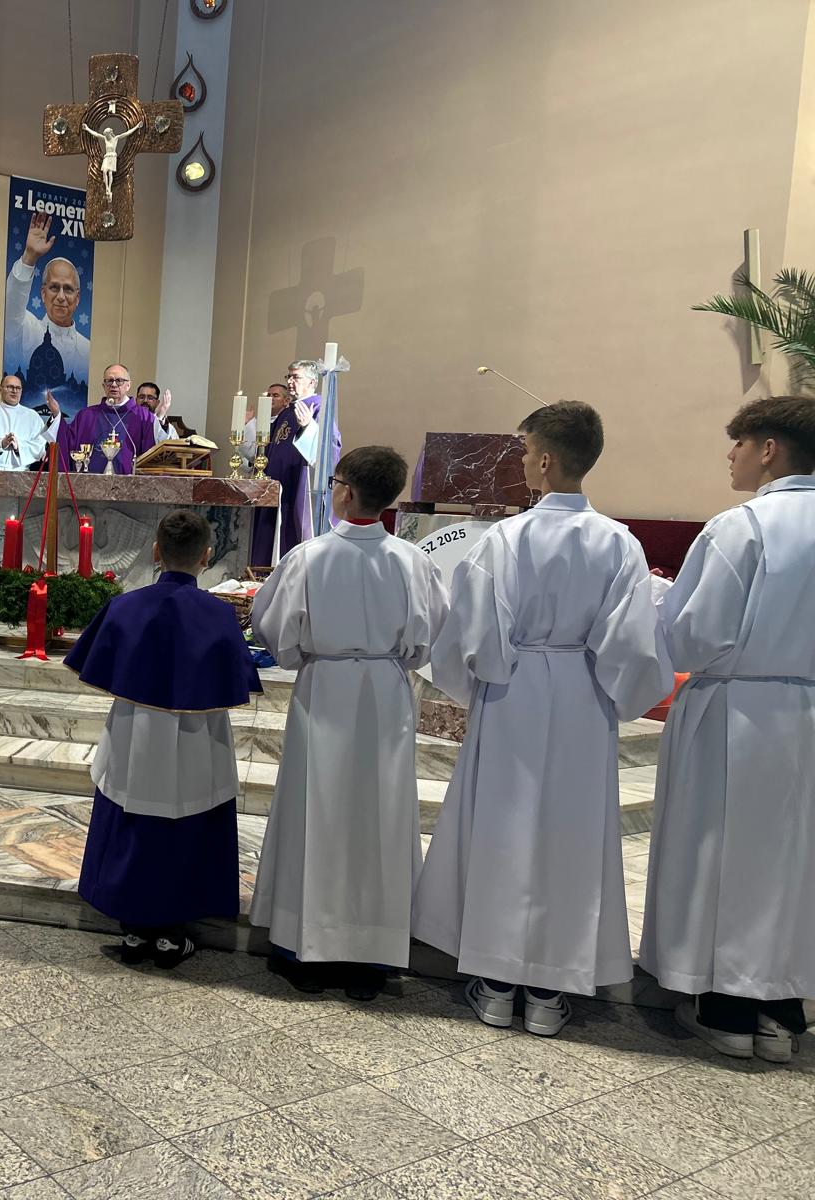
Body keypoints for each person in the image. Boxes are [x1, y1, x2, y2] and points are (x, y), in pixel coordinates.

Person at [412, 401, 672, 1036]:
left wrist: (479, 681)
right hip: (585, 696)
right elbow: (633, 646)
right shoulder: (619, 542)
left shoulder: (507, 539)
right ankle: (553, 989)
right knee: (571, 835)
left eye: (526, 451)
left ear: (548, 459)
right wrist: (614, 693)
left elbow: (470, 633)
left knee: (504, 830)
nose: (523, 462)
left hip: (514, 692)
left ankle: (497, 982)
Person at [640, 396, 815, 1062]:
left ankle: (727, 1006)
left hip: (739, 711)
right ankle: (782, 1010)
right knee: (795, 860)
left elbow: (694, 636)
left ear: (768, 449)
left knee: (724, 853)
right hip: (807, 709)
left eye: (738, 444)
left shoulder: (742, 527)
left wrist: (658, 599)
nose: (731, 457)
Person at [249, 447, 447, 1001]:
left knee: (316, 811)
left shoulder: (309, 557)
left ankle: (304, 949)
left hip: (326, 688)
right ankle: (371, 957)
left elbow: (274, 629)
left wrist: (307, 651)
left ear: (345, 491)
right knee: (380, 815)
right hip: (385, 691)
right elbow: (431, 630)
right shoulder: (412, 561)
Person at [66, 510, 262, 967]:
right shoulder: (219, 615)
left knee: (130, 815)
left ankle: (133, 927)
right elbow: (237, 675)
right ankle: (173, 931)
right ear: (206, 556)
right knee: (190, 819)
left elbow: (97, 661)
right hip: (198, 737)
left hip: (135, 733)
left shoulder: (124, 607)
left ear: (156, 552)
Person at [250, 363, 342, 565]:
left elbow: (331, 447)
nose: (290, 382)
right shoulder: (286, 412)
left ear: (312, 382)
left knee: (292, 538)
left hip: (298, 485)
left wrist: (308, 427)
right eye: (289, 377)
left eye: (296, 377)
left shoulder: (318, 406)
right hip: (276, 485)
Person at [5, 213, 89, 385]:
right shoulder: (27, 329)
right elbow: (12, 306)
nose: (61, 297)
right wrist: (29, 257)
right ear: (43, 294)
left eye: (68, 289)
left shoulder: (87, 348)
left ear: (78, 298)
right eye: (54, 288)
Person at [55, 364, 170, 474]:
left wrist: (160, 419)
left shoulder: (143, 417)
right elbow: (66, 441)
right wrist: (56, 415)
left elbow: (156, 447)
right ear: (103, 386)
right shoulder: (86, 415)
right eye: (109, 381)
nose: (114, 385)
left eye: (119, 381)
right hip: (90, 483)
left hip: (130, 484)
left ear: (128, 385)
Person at [0, 375, 60, 469]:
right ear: (0, 390)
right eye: (10, 387)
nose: (14, 391)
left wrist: (19, 447)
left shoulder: (33, 417)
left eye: (18, 388)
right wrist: (0, 444)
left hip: (21, 472)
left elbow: (39, 445)